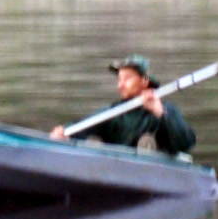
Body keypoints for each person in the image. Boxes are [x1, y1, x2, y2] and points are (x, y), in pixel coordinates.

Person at [58, 54, 196, 157]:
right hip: (117, 169)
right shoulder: (113, 112)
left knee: (147, 144)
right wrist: (64, 131)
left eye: (127, 79)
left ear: (144, 81)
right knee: (92, 141)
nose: (120, 85)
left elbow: (186, 143)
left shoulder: (165, 110)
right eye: (119, 79)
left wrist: (160, 113)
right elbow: (84, 125)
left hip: (151, 171)